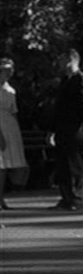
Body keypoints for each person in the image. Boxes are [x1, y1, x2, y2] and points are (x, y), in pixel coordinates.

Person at [49, 49, 83, 211]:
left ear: (71, 60)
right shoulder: (65, 80)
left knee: (75, 165)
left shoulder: (82, 80)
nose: (59, 63)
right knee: (63, 165)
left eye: (62, 59)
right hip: (62, 129)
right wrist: (52, 130)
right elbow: (59, 108)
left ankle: (77, 198)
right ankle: (66, 197)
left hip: (76, 129)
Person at [0, 57, 29, 210]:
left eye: (11, 70)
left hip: (10, 127)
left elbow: (14, 112)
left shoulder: (10, 90)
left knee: (5, 165)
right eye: (6, 70)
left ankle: (1, 198)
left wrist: (17, 133)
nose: (9, 73)